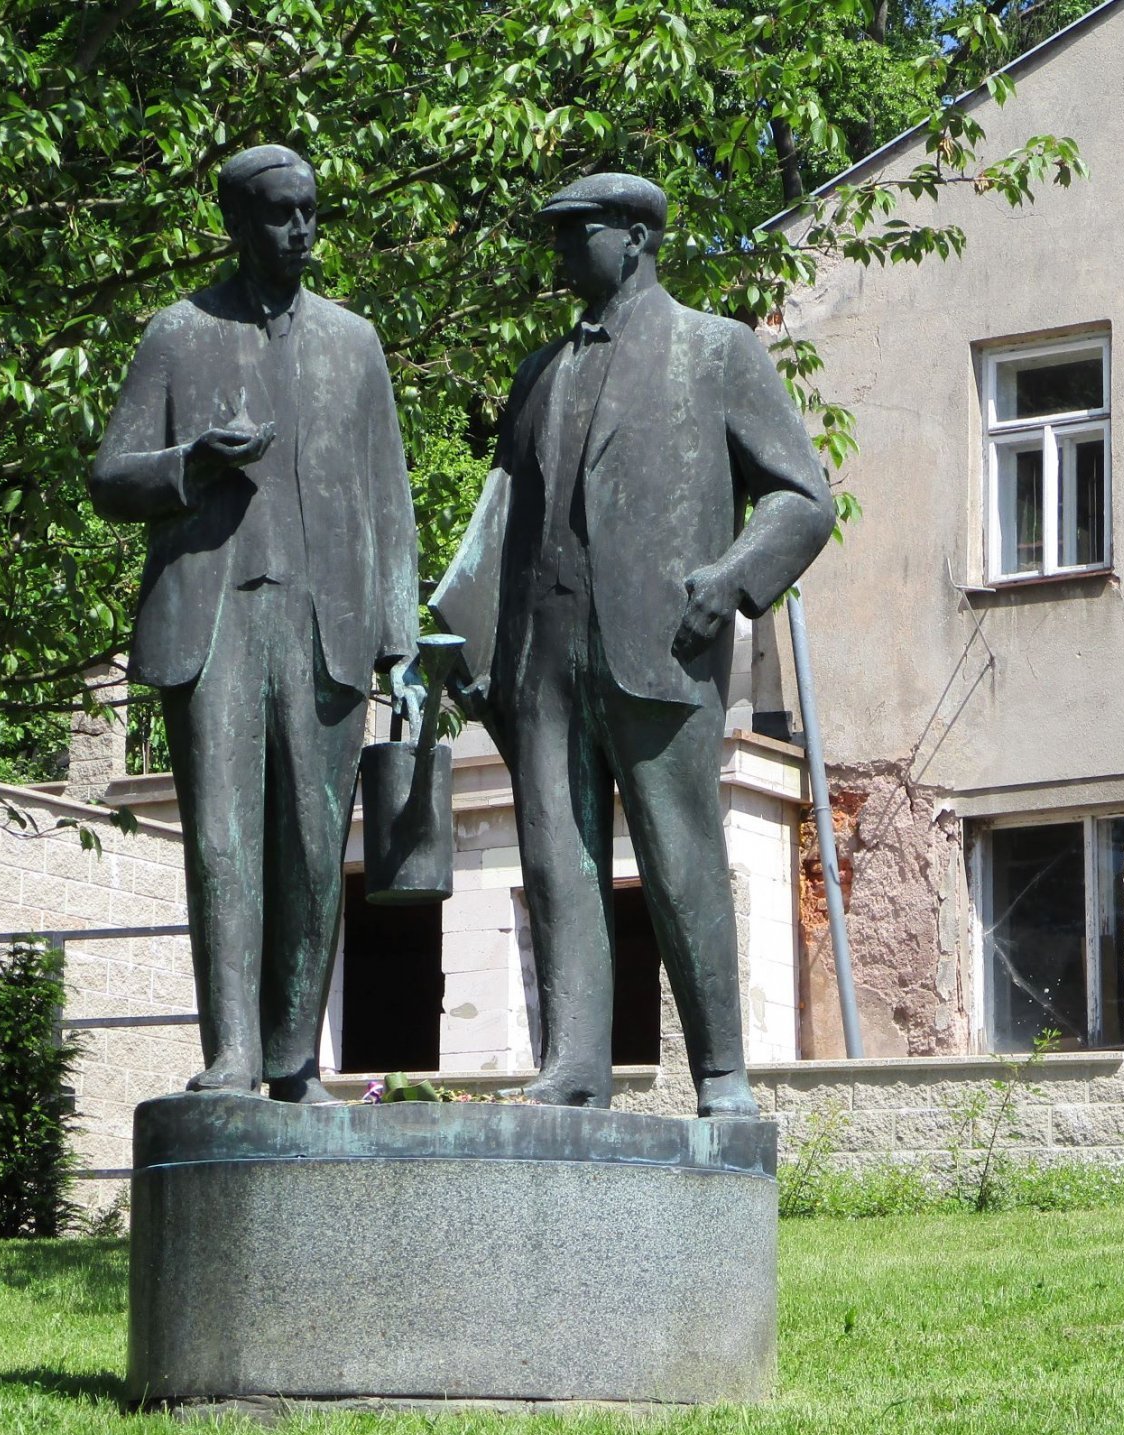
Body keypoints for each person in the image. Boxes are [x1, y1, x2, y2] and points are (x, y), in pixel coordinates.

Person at [431, 173, 833, 1117]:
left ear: (636, 236)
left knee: (679, 854)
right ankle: (573, 1064)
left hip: (660, 648)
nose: (560, 251)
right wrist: (459, 633)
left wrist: (732, 581)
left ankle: (721, 1075)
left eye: (577, 233)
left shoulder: (715, 350)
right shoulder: (537, 372)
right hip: (542, 659)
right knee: (555, 857)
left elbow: (799, 499)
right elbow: (498, 518)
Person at [90, 145, 421, 1104]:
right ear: (236, 224)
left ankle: (293, 1061)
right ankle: (231, 1053)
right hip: (217, 623)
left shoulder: (353, 342)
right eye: (279, 215)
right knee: (225, 847)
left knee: (316, 853)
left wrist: (398, 639)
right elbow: (110, 477)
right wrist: (190, 459)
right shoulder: (179, 334)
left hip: (328, 629)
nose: (300, 231)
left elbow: (388, 498)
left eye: (311, 212)